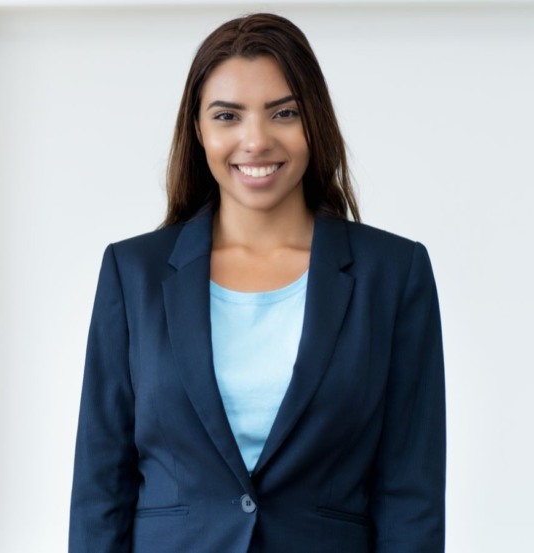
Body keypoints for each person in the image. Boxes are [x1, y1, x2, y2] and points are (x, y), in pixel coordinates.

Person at [68, 13, 445, 553]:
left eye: (283, 113)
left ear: (314, 121)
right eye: (227, 116)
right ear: (198, 130)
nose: (256, 140)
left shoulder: (393, 273)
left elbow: (411, 493)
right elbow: (100, 489)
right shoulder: (134, 275)